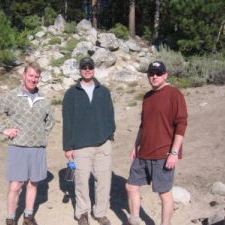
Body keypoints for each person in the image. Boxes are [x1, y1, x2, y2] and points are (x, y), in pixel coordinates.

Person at [0, 62, 55, 225]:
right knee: (15, 186)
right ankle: (10, 218)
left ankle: (28, 217)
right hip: (18, 147)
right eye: (30, 75)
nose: (33, 79)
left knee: (33, 183)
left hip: (37, 148)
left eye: (36, 77)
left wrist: (41, 135)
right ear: (24, 76)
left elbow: (50, 120)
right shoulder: (12, 96)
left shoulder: (43, 98)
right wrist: (4, 130)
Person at [125, 61, 188, 225]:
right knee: (131, 186)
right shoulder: (147, 97)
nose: (154, 76)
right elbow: (143, 124)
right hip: (143, 152)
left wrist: (174, 153)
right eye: (151, 73)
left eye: (158, 73)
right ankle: (135, 219)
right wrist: (135, 146)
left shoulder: (174, 94)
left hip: (163, 154)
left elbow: (181, 124)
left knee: (164, 193)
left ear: (165, 75)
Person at [62, 57, 116, 225]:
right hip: (80, 146)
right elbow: (67, 121)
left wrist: (109, 134)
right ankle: (82, 213)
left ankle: (100, 213)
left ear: (94, 69)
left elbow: (110, 115)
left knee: (104, 180)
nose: (87, 69)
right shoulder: (71, 93)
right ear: (79, 69)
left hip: (103, 144)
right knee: (81, 181)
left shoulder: (104, 91)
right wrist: (67, 147)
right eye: (84, 67)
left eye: (90, 67)